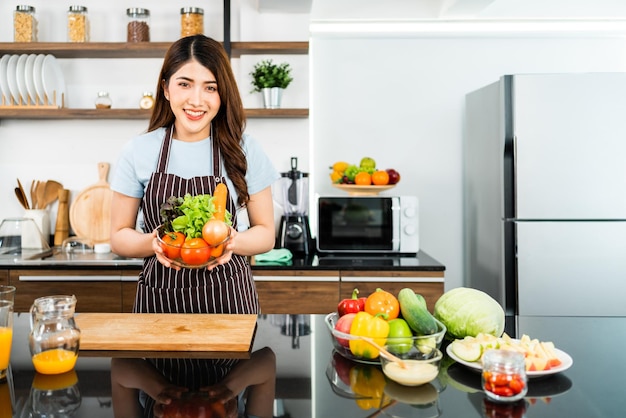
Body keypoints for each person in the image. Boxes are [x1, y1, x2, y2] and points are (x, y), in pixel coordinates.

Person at [109, 34, 279, 315]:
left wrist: (233, 242)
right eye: (184, 84)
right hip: (159, 302)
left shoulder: (245, 149)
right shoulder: (138, 150)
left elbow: (266, 234)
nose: (196, 100)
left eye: (210, 87)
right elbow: (118, 236)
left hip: (229, 301)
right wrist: (152, 243)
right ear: (166, 89)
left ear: (222, 94)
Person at [110, 347, 277, 418]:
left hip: (163, 318)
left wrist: (161, 391)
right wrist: (228, 389)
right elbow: (266, 361)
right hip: (222, 315)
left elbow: (120, 365)